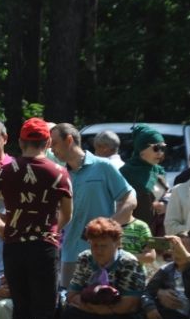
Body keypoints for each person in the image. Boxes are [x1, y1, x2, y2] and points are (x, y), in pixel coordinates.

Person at [0, 118, 73, 319]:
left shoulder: (6, 171)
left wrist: (1, 228)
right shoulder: (59, 173)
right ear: (48, 142)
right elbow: (68, 213)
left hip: (14, 246)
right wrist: (52, 230)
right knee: (44, 310)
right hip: (43, 247)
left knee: (21, 308)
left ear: (20, 142)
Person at [58, 218, 146, 319]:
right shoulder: (85, 258)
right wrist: (91, 307)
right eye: (94, 245)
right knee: (68, 317)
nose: (97, 251)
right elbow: (72, 294)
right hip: (93, 314)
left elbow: (131, 303)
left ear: (117, 243)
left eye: (103, 246)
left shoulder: (129, 262)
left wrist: (104, 310)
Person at [49, 123, 136, 287]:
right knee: (70, 303)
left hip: (102, 255)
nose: (51, 149)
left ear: (69, 140)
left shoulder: (103, 166)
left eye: (54, 143)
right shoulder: (59, 174)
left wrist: (108, 228)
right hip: (69, 255)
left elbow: (130, 199)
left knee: (103, 302)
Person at [119, 124, 169, 232]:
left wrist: (165, 204)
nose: (160, 153)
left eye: (163, 148)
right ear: (141, 151)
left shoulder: (159, 171)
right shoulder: (125, 172)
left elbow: (165, 196)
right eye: (156, 148)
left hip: (157, 231)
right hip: (132, 233)